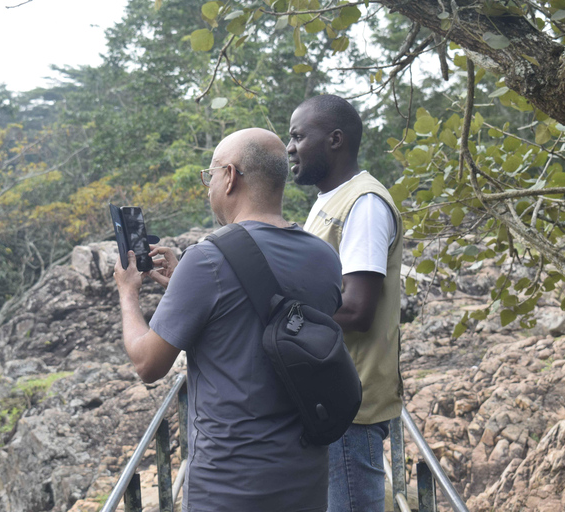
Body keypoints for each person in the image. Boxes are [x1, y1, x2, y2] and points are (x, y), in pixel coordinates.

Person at [113, 127, 343, 512]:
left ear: (231, 176)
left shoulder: (206, 260)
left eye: (211, 174)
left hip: (229, 484)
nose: (209, 186)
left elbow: (147, 363)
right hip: (306, 476)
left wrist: (127, 292)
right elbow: (261, 325)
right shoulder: (324, 257)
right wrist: (184, 289)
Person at [287, 95, 404, 512]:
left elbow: (357, 310)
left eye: (299, 136)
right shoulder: (329, 201)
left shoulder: (364, 203)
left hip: (349, 404)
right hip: (329, 394)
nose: (290, 148)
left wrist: (282, 319)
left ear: (335, 140)